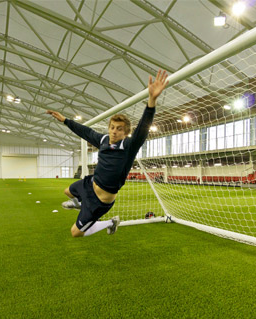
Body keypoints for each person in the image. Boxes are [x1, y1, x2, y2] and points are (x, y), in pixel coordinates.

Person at [46, 69, 168, 237]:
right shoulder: (103, 140)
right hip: (89, 185)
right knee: (67, 191)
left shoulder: (128, 146)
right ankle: (80, 203)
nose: (114, 132)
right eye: (112, 127)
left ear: (125, 133)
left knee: (75, 233)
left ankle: (110, 222)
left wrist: (152, 100)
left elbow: (143, 127)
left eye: (119, 129)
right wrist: (65, 120)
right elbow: (85, 131)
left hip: (100, 201)